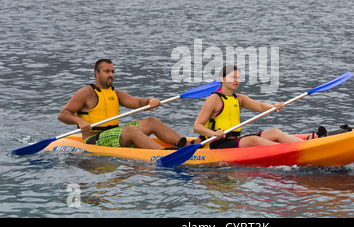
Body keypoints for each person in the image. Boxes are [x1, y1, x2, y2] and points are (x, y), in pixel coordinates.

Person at [58, 59, 186, 150]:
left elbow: (137, 102)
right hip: (94, 140)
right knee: (130, 129)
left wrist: (149, 100)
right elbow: (63, 114)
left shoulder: (116, 93)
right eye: (107, 71)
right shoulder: (86, 92)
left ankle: (187, 145)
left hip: (114, 135)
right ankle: (161, 154)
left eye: (112, 72)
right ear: (96, 73)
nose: (111, 75)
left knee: (152, 121)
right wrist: (79, 121)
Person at [193, 64, 303, 149]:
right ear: (222, 79)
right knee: (253, 140)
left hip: (234, 139)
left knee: (275, 132)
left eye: (238, 77)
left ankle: (307, 144)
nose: (236, 80)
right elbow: (197, 126)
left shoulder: (239, 98)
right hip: (218, 142)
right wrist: (214, 133)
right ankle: (290, 150)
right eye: (233, 77)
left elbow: (260, 106)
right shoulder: (214, 99)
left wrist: (274, 107)